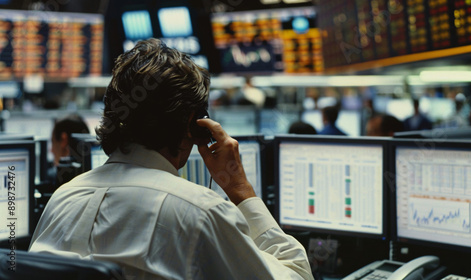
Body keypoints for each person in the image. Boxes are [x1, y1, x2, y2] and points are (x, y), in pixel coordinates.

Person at [29, 39, 313, 280]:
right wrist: (240, 190)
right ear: (193, 124)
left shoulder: (61, 199)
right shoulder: (201, 213)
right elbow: (297, 274)